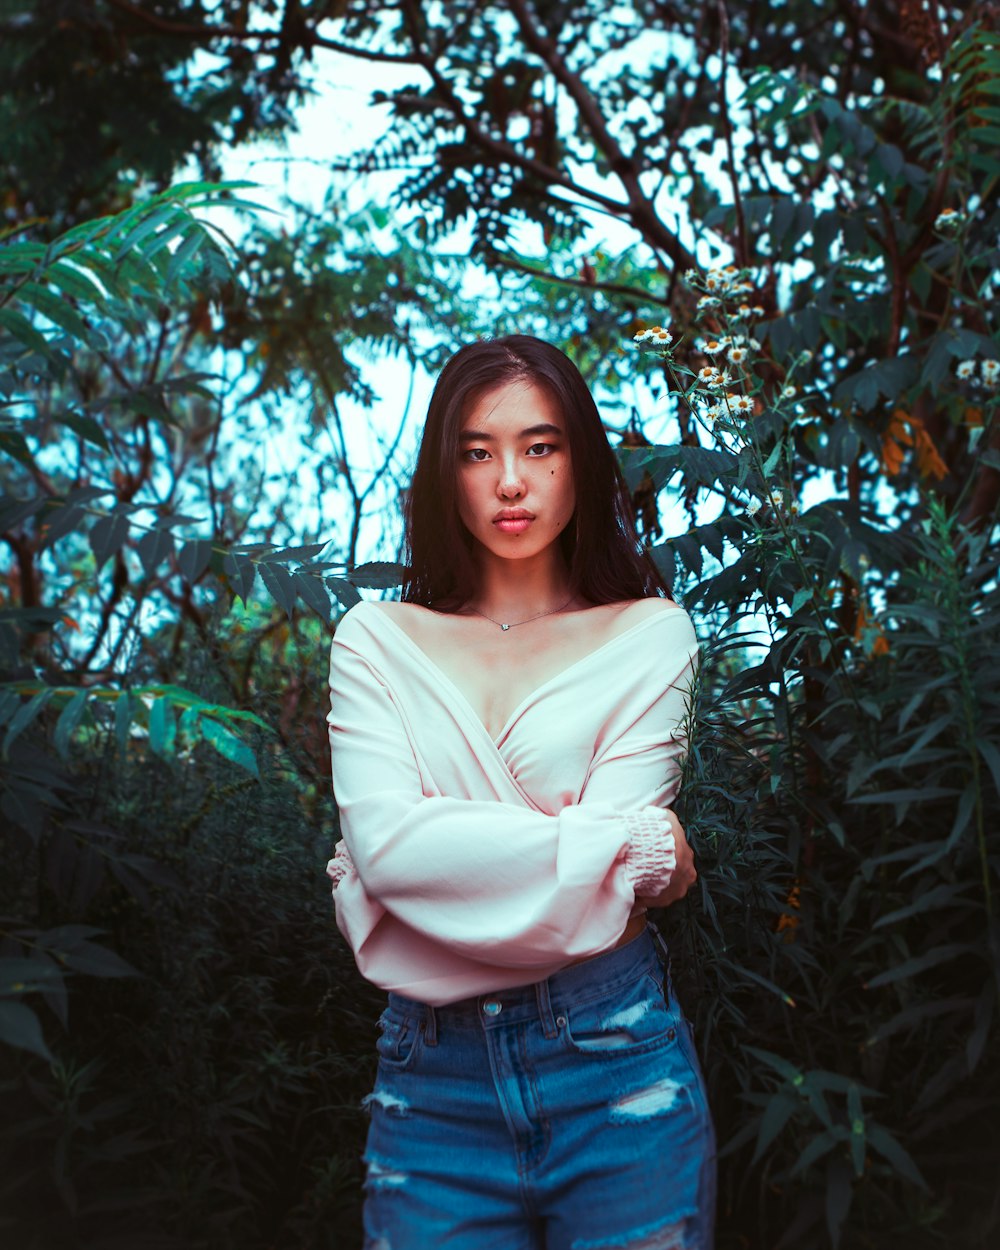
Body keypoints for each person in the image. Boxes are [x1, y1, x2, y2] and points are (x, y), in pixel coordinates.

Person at [325, 334, 716, 1249]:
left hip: (615, 1062)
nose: (510, 481)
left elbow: (406, 873)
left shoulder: (653, 635)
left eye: (540, 447)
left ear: (581, 459)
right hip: (430, 1083)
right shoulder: (376, 640)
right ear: (444, 473)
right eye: (478, 451)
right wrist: (630, 846)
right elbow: (389, 849)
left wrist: (401, 886)